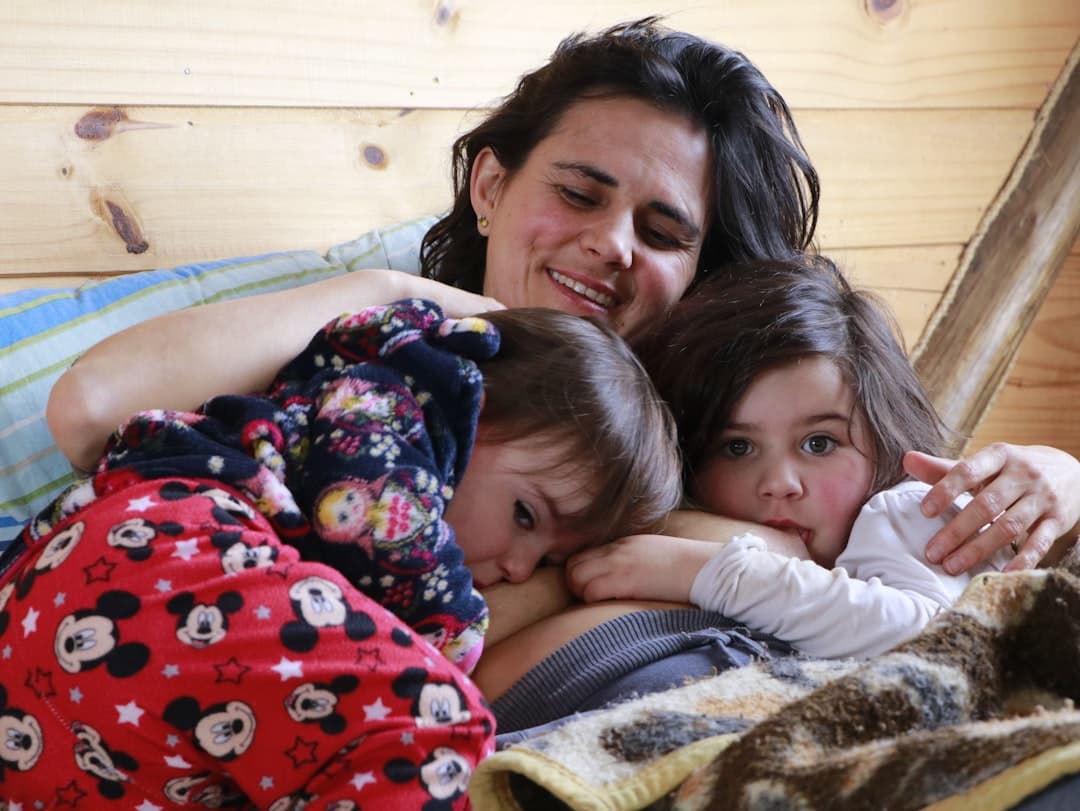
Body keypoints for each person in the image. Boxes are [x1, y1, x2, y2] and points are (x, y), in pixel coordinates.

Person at [47, 20, 1080, 587]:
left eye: (664, 232)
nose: (612, 244)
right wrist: (396, 290)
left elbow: (874, 520)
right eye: (580, 195)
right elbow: (91, 408)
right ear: (491, 186)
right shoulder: (368, 355)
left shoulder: (713, 422)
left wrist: (1059, 478)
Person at [0, 297, 679, 806]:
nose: (519, 570)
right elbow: (379, 531)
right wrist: (459, 629)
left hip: (59, 685)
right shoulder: (392, 402)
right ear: (472, 407)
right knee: (429, 724)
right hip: (173, 545)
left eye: (550, 562)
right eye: (525, 515)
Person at [567, 254, 1016, 660]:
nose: (780, 482)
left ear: (885, 438)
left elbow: (936, 638)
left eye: (819, 443)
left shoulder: (911, 508)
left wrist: (710, 574)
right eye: (738, 447)